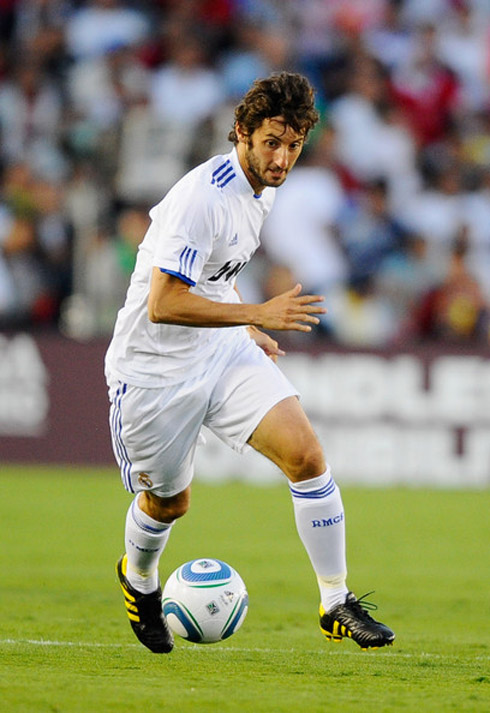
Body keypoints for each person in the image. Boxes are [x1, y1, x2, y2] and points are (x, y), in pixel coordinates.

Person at [105, 72, 395, 654]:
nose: (282, 158)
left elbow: (216, 279)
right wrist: (256, 314)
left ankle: (335, 600)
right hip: (153, 374)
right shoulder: (201, 199)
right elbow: (163, 304)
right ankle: (139, 580)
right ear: (241, 133)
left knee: (307, 456)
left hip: (220, 352)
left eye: (293, 146)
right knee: (169, 502)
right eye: (271, 142)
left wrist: (243, 325)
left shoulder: (262, 191)